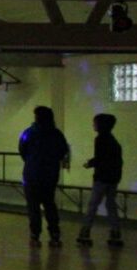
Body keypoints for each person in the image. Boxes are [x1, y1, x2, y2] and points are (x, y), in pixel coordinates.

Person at [18, 105, 70, 247]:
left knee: (33, 206)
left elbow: (22, 150)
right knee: (49, 204)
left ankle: (35, 235)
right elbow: (63, 151)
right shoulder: (56, 134)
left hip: (32, 174)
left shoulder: (29, 133)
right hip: (50, 174)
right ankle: (54, 234)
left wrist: (31, 161)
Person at [77, 113, 124, 248]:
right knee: (111, 205)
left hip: (102, 178)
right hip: (113, 178)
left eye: (95, 123)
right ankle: (115, 232)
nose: (93, 125)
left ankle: (85, 232)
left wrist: (89, 164)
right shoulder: (113, 141)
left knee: (93, 205)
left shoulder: (100, 139)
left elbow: (101, 158)